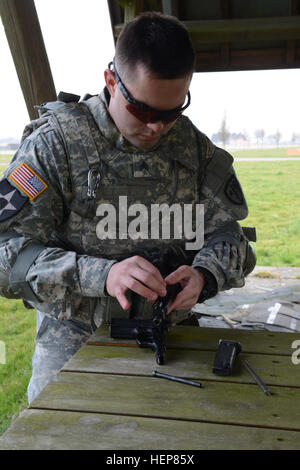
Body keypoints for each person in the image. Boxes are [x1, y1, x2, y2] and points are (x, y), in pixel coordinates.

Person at [0, 12, 256, 403]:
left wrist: (205, 274)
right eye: (144, 111)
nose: (157, 128)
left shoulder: (193, 149)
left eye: (172, 113)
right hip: (75, 342)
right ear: (111, 81)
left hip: (173, 340)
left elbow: (232, 238)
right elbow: (6, 253)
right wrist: (101, 275)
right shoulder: (56, 146)